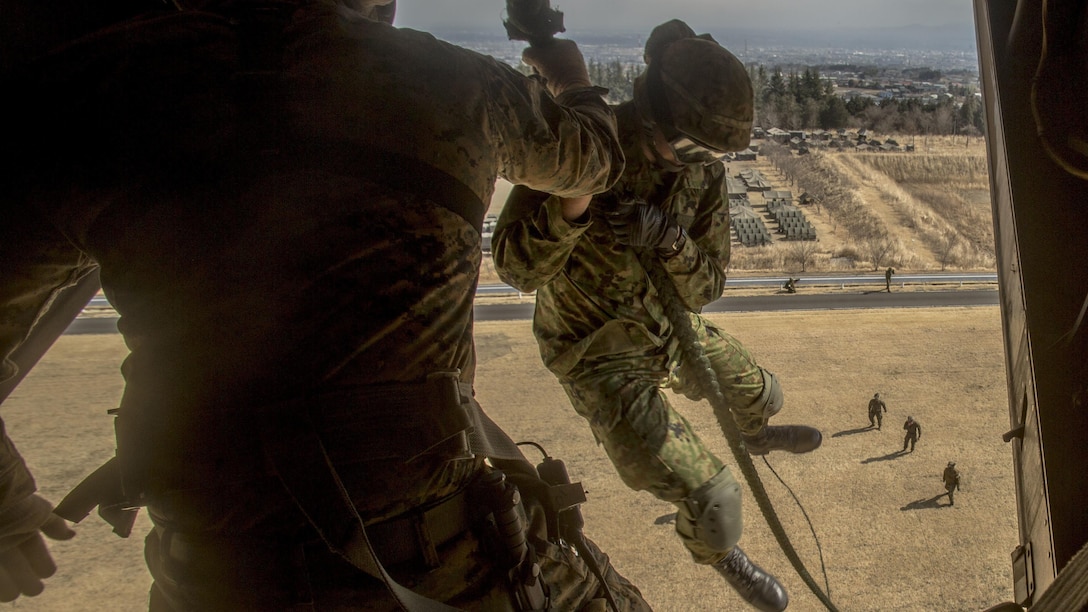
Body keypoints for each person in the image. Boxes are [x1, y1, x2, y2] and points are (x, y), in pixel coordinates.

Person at [0, 1, 651, 609]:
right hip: (434, 564)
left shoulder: (97, 91)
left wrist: (8, 509)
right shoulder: (447, 84)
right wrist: (571, 82)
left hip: (211, 573)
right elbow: (594, 161)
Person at [493, 19, 822, 612]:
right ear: (653, 114)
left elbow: (707, 288)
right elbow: (517, 269)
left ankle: (756, 432)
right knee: (714, 497)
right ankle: (723, 554)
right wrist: (574, 210)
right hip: (599, 353)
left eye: (711, 154)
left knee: (763, 393)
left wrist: (670, 240)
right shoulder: (584, 146)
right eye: (693, 148)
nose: (698, 163)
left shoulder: (700, 174)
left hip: (672, 331)